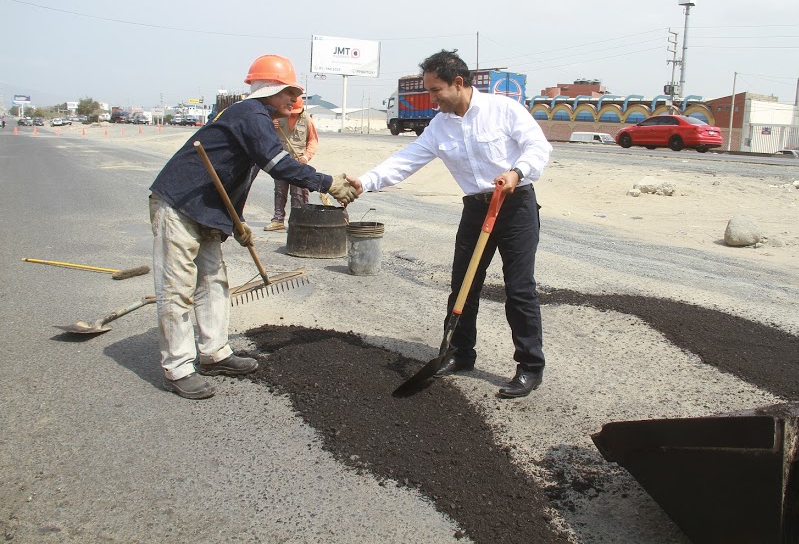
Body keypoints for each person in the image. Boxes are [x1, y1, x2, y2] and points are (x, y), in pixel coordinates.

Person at [149, 54, 359, 399]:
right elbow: (280, 165)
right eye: (289, 91)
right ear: (270, 89)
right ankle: (178, 367)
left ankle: (215, 354)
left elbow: (233, 178)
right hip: (178, 205)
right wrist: (328, 183)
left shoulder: (255, 118)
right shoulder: (251, 115)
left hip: (207, 210)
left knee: (214, 281)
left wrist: (235, 222)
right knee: (177, 288)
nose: (294, 99)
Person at [349, 49, 551, 399]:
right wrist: (365, 182)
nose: (431, 99)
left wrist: (516, 172)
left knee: (519, 289)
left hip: (514, 205)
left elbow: (538, 147)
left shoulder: (503, 109)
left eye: (435, 90)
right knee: (462, 285)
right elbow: (405, 160)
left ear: (458, 83)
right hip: (476, 208)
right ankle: (459, 354)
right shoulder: (439, 126)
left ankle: (530, 367)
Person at [264, 96, 319, 231]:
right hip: (280, 160)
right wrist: (270, 124)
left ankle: (297, 220)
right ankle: (278, 220)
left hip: (298, 163)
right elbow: (264, 134)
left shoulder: (307, 120)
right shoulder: (277, 116)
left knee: (298, 194)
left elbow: (313, 141)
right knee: (279, 191)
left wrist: (306, 157)